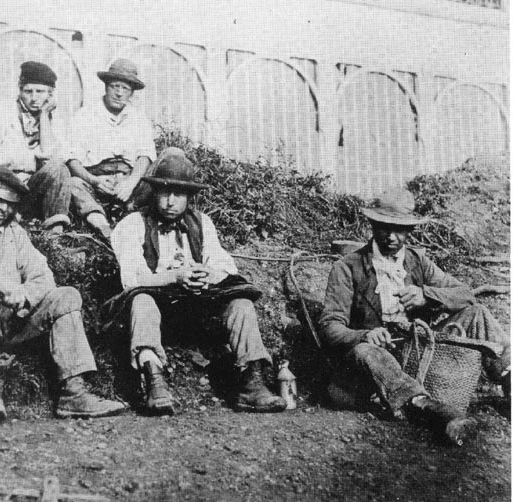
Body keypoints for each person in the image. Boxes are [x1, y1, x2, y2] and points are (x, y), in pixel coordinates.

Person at [0, 165, 126, 421]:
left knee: (66, 296)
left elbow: (43, 276)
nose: (2, 208)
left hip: (7, 323)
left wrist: (21, 300)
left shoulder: (15, 234)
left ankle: (74, 393)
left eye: (9, 203)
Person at [319, 188, 510, 444]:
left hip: (416, 351)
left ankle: (509, 379)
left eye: (400, 229)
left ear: (410, 230)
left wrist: (426, 295)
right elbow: (330, 327)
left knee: (477, 313)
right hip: (371, 364)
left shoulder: (417, 262)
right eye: (384, 227)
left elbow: (465, 294)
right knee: (366, 351)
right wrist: (366, 334)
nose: (392, 236)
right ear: (373, 225)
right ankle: (430, 409)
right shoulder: (347, 268)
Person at [107, 147, 287, 415]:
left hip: (195, 310)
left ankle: (252, 382)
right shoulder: (133, 224)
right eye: (164, 192)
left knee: (240, 303)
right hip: (155, 310)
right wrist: (176, 276)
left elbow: (224, 265)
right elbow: (132, 278)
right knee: (142, 300)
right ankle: (153, 381)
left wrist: (204, 275)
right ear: (154, 192)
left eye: (178, 194)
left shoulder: (202, 223)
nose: (170, 201)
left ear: (189, 196)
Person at [0, 61, 73, 233]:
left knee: (59, 169)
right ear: (20, 91)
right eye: (28, 91)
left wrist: (43, 115)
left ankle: (54, 235)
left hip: (28, 190)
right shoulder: (1, 112)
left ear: (50, 94)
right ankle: (7, 220)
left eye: (40, 91)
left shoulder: (55, 121)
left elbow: (48, 158)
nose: (34, 98)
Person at [67, 58, 157, 241]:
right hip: (97, 181)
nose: (119, 93)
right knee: (73, 184)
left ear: (131, 92)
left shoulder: (139, 119)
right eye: (115, 86)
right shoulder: (85, 115)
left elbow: (145, 155)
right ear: (106, 86)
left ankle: (130, 219)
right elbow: (72, 159)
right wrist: (94, 180)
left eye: (125, 89)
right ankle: (103, 228)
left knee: (157, 180)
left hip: (128, 182)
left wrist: (131, 183)